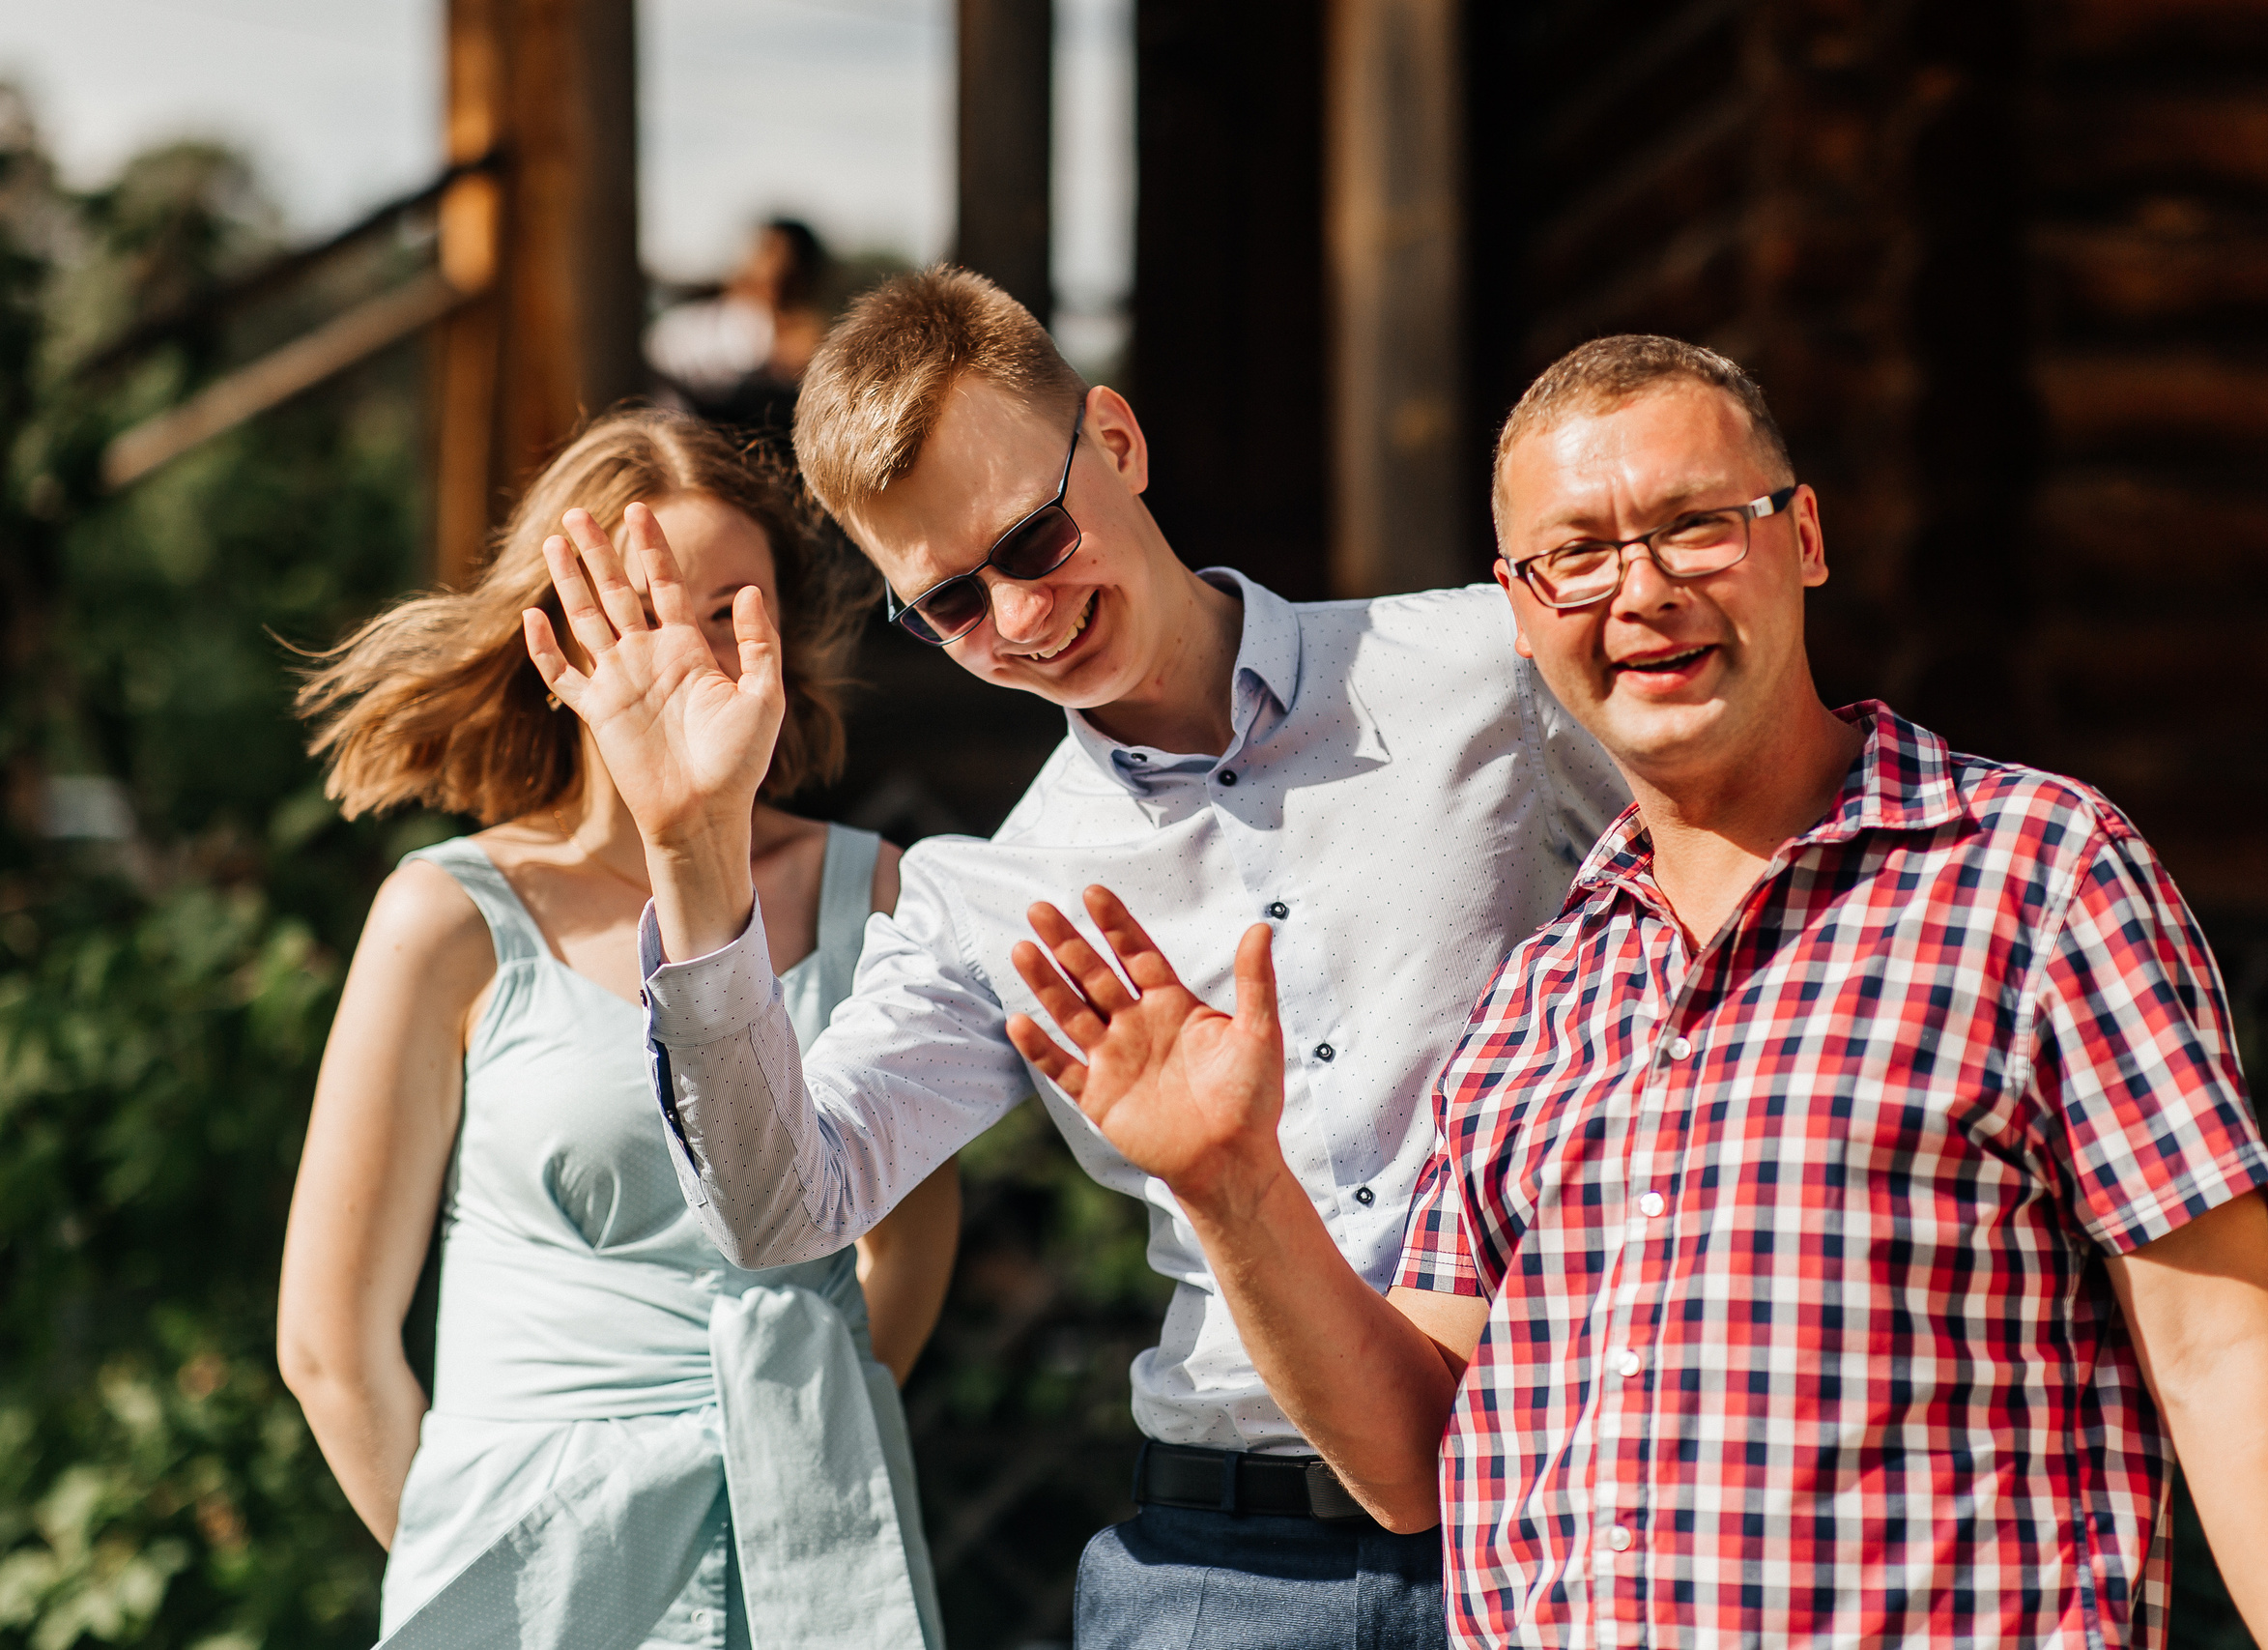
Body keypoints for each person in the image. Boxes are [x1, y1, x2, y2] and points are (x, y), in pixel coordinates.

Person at [1001, 336, 2268, 1649]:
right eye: (1578, 556)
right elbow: (1410, 1463)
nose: (1642, 589)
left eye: (1692, 524)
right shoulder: (1545, 985)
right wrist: (1235, 1184)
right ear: (1521, 610)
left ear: (1800, 538)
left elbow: (2220, 1350)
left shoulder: (2036, 871)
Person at [522, 266, 1630, 1648]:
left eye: (1034, 540)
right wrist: (693, 845)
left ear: (1115, 440)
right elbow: (783, 1207)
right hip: (1224, 1569)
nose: (1024, 617)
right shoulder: (986, 895)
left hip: (1569, 1511)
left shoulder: (1490, 669)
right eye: (953, 606)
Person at [275, 409, 957, 1650]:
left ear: (783, 644)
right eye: (644, 606)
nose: (685, 655)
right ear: (563, 634)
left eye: (726, 613)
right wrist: (479, 1581)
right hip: (527, 1566)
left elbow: (904, 1246)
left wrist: (793, 1450)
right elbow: (330, 1344)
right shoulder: (448, 917)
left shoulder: (881, 895)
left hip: (810, 1568)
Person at [647, 218, 834, 449]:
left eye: (790, 276)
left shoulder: (823, 344)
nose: (773, 270)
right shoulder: (683, 333)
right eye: (765, 255)